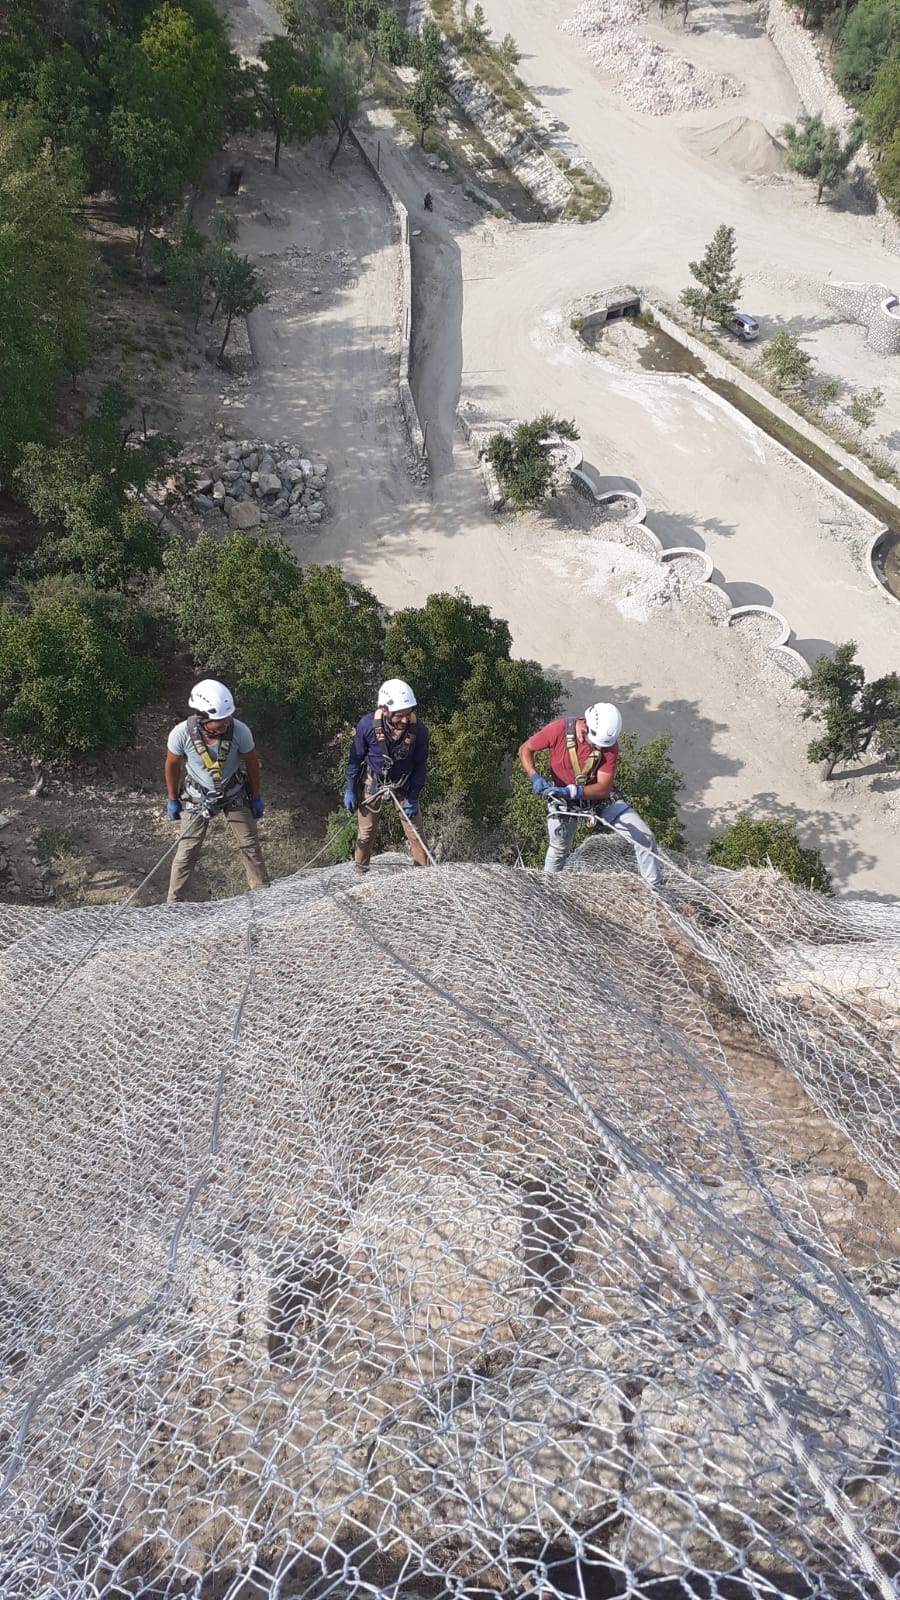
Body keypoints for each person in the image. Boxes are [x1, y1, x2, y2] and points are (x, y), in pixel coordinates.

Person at [517, 702, 662, 886]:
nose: (600, 749)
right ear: (584, 728)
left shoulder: (608, 745)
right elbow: (525, 749)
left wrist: (574, 791)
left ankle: (655, 888)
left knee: (644, 837)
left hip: (597, 799)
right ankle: (547, 888)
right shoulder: (558, 730)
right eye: (596, 744)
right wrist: (534, 776)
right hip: (564, 802)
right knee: (558, 850)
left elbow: (603, 788)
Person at [164, 679, 269, 903]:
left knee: (250, 844)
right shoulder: (181, 734)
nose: (226, 724)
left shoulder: (240, 731)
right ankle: (173, 903)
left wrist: (256, 796)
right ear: (202, 718)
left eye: (228, 718)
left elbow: (251, 763)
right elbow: (172, 765)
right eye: (220, 721)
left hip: (233, 791)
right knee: (187, 850)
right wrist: (172, 799)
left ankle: (262, 893)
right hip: (197, 795)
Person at [344, 679, 430, 874]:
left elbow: (420, 766)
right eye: (400, 716)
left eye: (408, 714)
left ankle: (424, 875)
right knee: (365, 833)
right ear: (384, 711)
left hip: (403, 784)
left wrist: (414, 797)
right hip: (374, 781)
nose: (405, 720)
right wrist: (350, 788)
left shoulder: (419, 732)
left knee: (415, 832)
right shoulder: (367, 726)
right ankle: (360, 872)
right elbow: (355, 759)